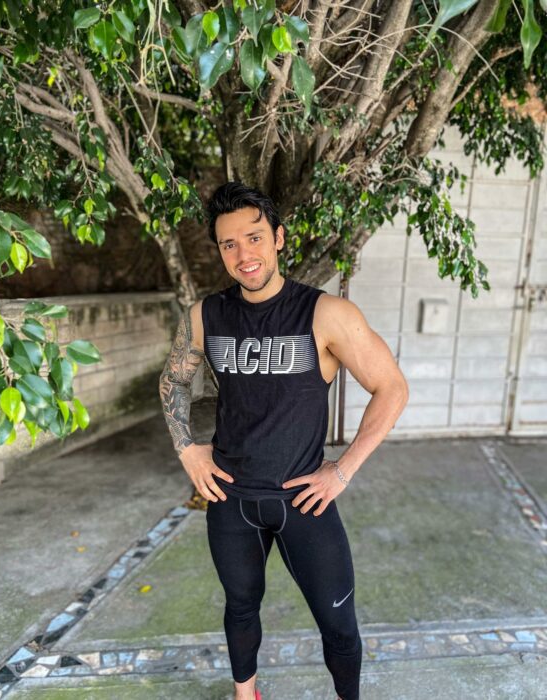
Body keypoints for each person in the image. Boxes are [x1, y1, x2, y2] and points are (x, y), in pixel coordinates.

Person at [159, 182, 409, 700]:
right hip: (231, 498)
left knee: (339, 625)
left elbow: (392, 388)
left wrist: (341, 470)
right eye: (229, 244)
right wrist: (187, 448)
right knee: (241, 607)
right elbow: (173, 379)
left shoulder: (326, 315)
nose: (243, 254)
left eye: (253, 238)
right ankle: (245, 695)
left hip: (303, 499)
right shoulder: (205, 316)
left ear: (278, 237)